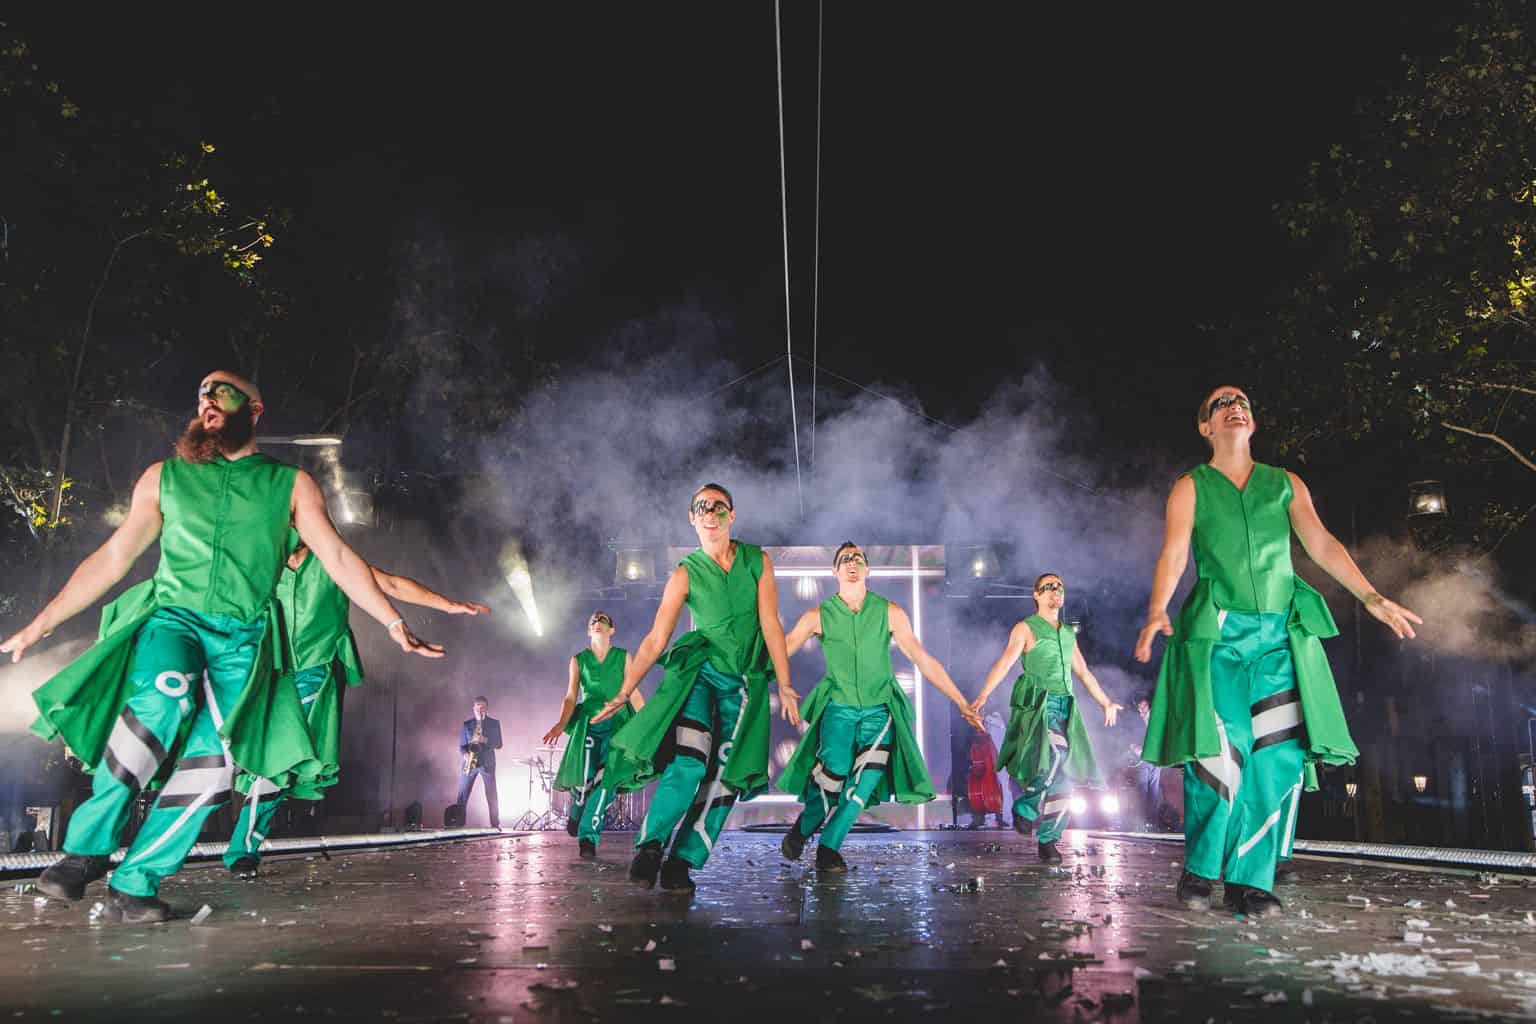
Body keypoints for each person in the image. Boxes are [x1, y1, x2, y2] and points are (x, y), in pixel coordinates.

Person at [5, 371, 443, 923]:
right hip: (175, 623)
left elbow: (337, 557)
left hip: (243, 641)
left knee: (212, 766)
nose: (207, 400)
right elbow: (115, 557)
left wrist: (391, 620)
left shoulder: (290, 484)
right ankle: (86, 852)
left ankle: (135, 883)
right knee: (163, 700)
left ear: (254, 409)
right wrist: (43, 622)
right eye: (201, 394)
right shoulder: (163, 477)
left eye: (222, 392)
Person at [1134, 386, 1421, 918]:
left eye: (1242, 400)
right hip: (1218, 636)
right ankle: (1201, 867)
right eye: (1221, 403)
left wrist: (1371, 596)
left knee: (1277, 756)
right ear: (1205, 427)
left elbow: (1321, 542)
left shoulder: (1285, 483)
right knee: (1219, 751)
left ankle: (1251, 880)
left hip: (1278, 638)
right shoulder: (1190, 487)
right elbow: (1173, 552)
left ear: (1253, 422)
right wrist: (1157, 609)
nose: (1234, 405)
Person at [224, 531, 488, 878]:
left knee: (276, 763)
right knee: (264, 761)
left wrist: (448, 605)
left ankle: (242, 850)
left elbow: (390, 584)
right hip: (267, 673)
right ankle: (233, 842)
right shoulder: (261, 562)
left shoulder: (332, 560)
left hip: (313, 675)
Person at [593, 483, 799, 893]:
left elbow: (770, 624)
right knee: (689, 761)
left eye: (718, 507)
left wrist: (787, 683)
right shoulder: (685, 574)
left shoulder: (757, 561)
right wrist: (625, 690)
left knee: (724, 778)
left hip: (744, 683)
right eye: (701, 507)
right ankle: (650, 847)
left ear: (731, 515)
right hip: (701, 675)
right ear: (692, 518)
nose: (710, 513)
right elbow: (656, 639)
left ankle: (681, 861)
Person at [777, 542, 983, 871]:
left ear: (867, 569)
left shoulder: (890, 612)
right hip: (838, 711)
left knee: (864, 784)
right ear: (835, 571)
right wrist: (778, 683)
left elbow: (922, 659)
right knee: (831, 781)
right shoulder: (817, 615)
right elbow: (780, 650)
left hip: (879, 713)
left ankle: (829, 847)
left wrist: (960, 701)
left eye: (858, 558)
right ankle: (802, 830)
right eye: (845, 559)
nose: (852, 563)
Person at [971, 573, 1123, 864]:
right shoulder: (1025, 628)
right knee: (1057, 754)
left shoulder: (1067, 634)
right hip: (1039, 706)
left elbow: (1084, 673)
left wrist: (1106, 702)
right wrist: (982, 696)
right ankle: (1025, 808)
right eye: (1049, 587)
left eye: (1059, 587)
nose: (1056, 591)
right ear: (1036, 595)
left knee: (1066, 780)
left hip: (1066, 708)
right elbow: (1005, 662)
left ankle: (1049, 841)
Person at [543, 611, 644, 858]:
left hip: (618, 724)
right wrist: (561, 723)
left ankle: (588, 837)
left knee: (607, 780)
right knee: (585, 776)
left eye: (603, 620)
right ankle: (577, 807)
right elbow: (570, 696)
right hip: (589, 723)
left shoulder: (623, 656)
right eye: (593, 621)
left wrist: (649, 724)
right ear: (589, 631)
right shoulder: (578, 660)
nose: (597, 622)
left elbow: (633, 692)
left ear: (612, 630)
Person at [458, 697, 503, 827]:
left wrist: (486, 740)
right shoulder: (467, 724)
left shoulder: (494, 723)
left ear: (487, 708)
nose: (480, 709)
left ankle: (495, 824)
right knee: (462, 795)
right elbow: (462, 746)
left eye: (482, 707)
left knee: (491, 795)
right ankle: (458, 824)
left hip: (487, 763)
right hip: (470, 763)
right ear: (474, 708)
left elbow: (499, 744)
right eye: (477, 706)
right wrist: (465, 754)